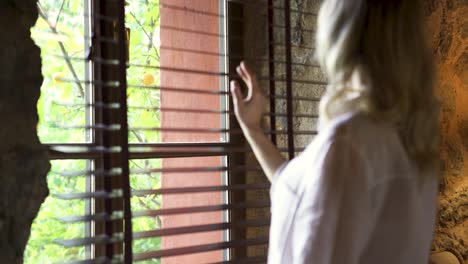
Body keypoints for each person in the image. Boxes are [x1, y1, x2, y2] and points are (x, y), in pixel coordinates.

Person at [229, 0, 440, 263]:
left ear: (340, 35)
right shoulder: (410, 139)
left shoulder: (351, 141)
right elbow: (295, 190)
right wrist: (253, 130)